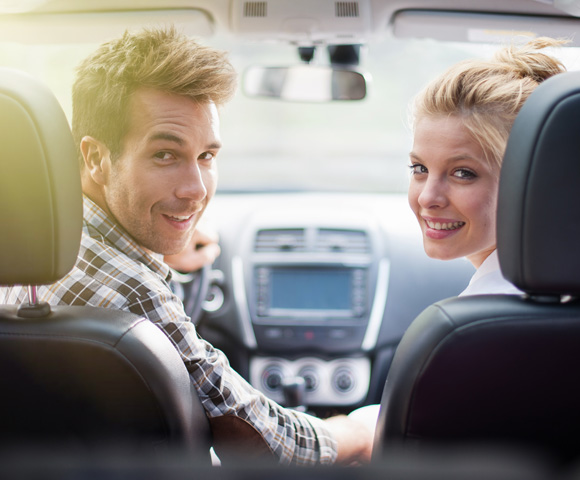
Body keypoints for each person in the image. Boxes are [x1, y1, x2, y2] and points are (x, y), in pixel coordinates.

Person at [0, 26, 373, 465]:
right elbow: (270, 445)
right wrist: (359, 430)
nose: (196, 190)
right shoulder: (133, 291)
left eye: (207, 156)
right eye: (165, 155)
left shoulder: (41, 259)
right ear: (97, 158)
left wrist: (164, 258)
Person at [407, 37, 567, 296]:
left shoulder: (479, 323)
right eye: (419, 169)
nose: (427, 197)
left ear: (531, 183)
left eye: (463, 173)